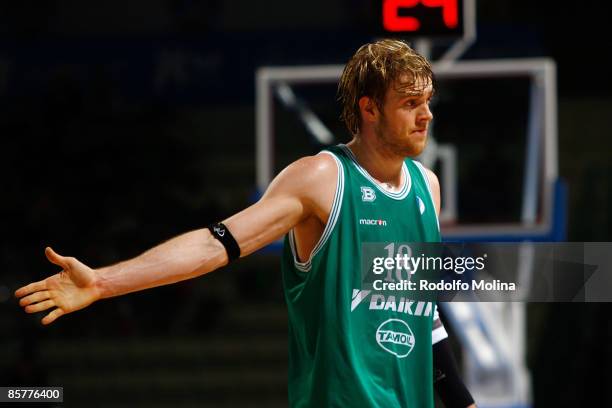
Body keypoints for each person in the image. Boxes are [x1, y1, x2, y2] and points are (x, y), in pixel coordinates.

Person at [16, 39, 475, 407]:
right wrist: (103, 282)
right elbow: (215, 245)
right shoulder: (321, 178)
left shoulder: (426, 187)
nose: (427, 115)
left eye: (428, 101)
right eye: (411, 102)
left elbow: (424, 313)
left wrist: (462, 401)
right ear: (370, 108)